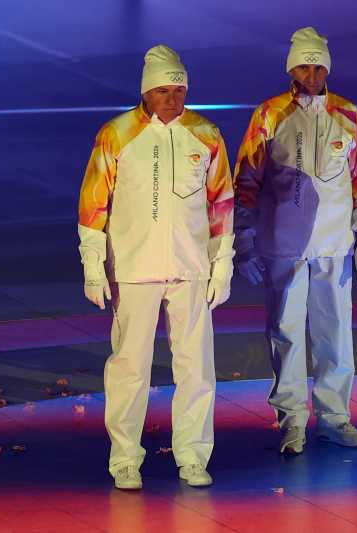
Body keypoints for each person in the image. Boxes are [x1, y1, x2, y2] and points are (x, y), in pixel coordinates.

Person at [77, 45, 234, 489]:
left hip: (190, 267)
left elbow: (222, 203)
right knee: (130, 367)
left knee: (196, 368)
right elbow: (93, 203)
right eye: (163, 91)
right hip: (133, 267)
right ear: (146, 91)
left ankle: (193, 456)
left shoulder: (205, 133)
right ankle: (125, 459)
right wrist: (93, 266)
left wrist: (222, 264)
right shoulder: (117, 133)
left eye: (179, 90)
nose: (172, 99)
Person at [232, 27, 357, 455]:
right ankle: (292, 419)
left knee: (336, 332)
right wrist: (244, 240)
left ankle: (335, 418)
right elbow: (246, 178)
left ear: (327, 69)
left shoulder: (348, 114)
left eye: (318, 67)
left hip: (334, 242)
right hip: (284, 243)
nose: (311, 75)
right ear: (291, 69)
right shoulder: (269, 114)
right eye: (303, 67)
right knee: (287, 331)